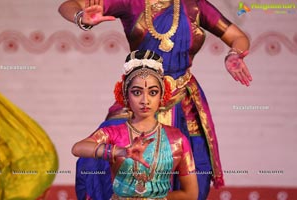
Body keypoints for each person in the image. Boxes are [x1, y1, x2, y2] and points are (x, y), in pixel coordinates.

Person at [58, 0, 252, 199]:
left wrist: (234, 54)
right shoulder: (129, 3)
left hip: (183, 100)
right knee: (97, 161)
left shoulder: (195, 5)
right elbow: (69, 5)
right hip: (142, 88)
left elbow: (238, 37)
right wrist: (81, 18)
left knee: (196, 166)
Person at [71, 50, 198, 200]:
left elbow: (190, 194)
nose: (145, 100)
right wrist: (119, 152)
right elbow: (78, 148)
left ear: (162, 95)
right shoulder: (113, 133)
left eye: (153, 92)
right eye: (137, 92)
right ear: (126, 95)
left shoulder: (177, 139)